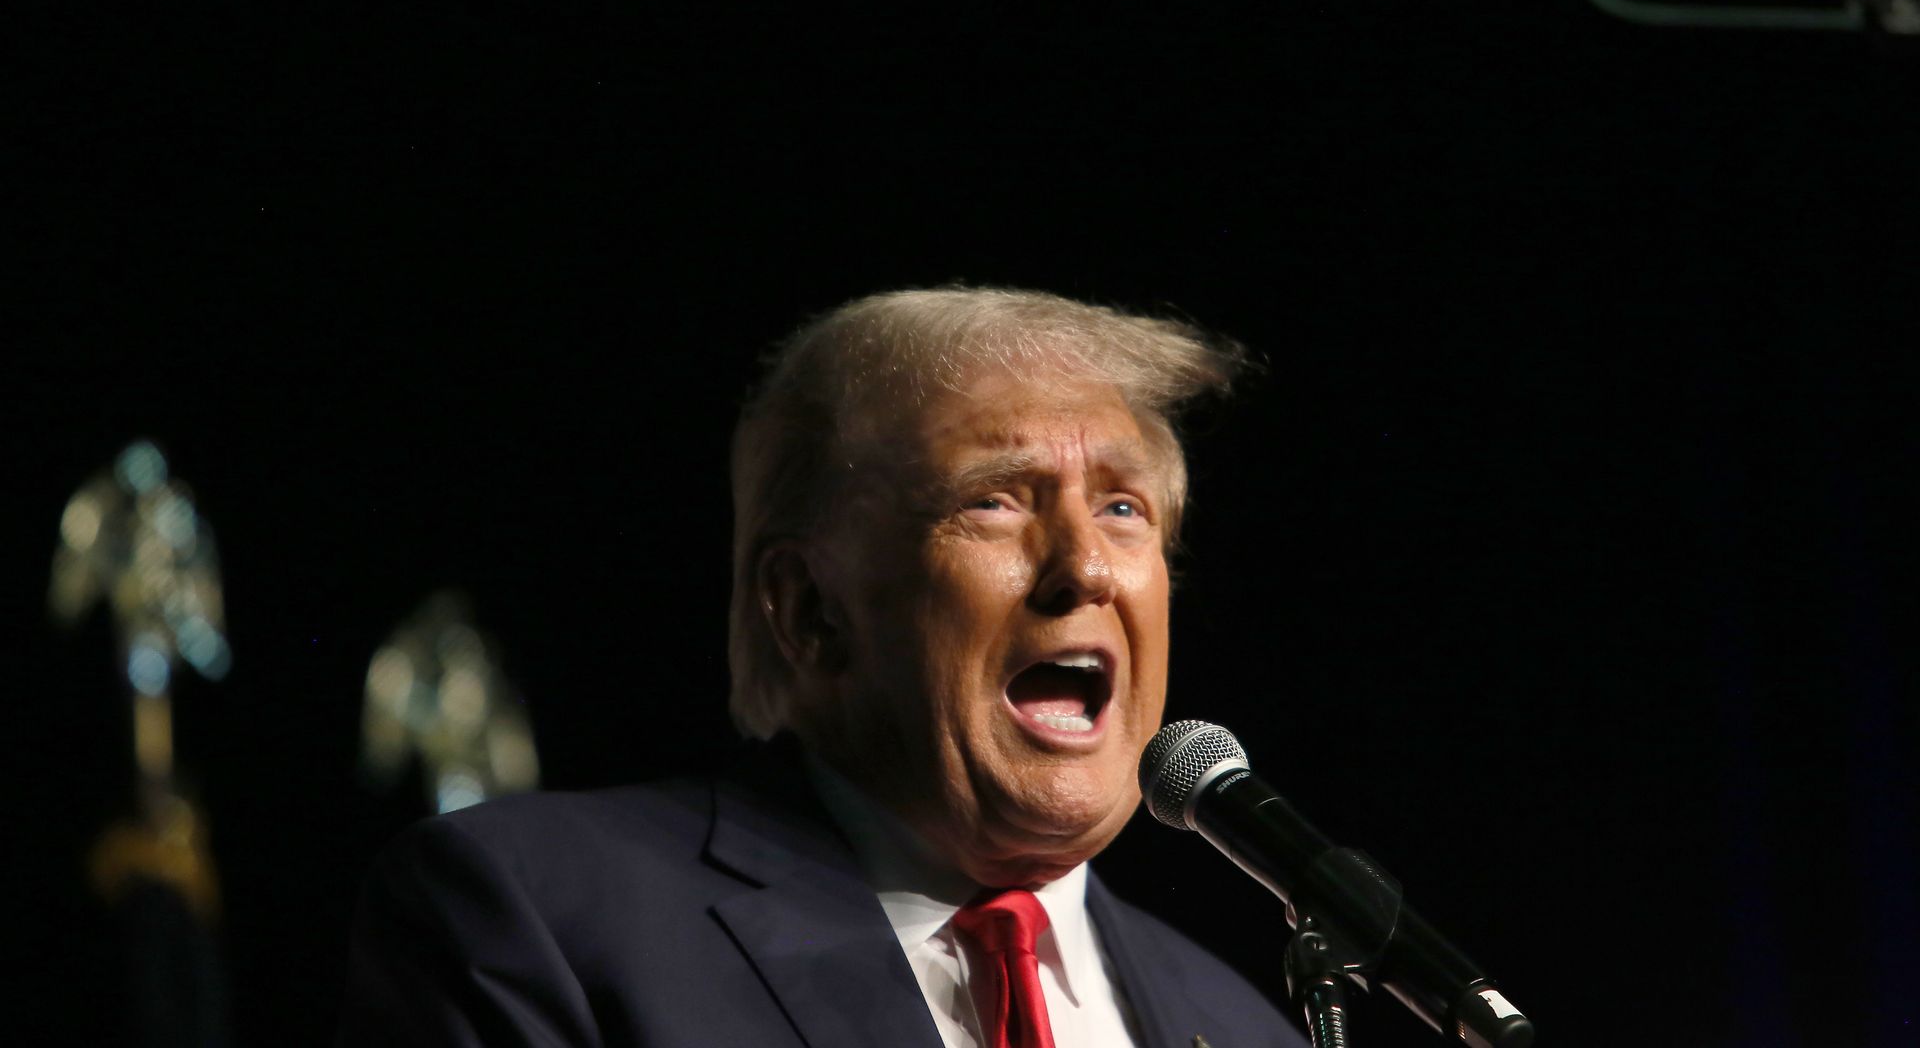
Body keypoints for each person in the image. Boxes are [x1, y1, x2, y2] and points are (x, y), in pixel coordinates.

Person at [338, 287, 1306, 1047]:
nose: (1086, 566)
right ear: (807, 609)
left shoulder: (1250, 1027)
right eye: (996, 502)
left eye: (1124, 508)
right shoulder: (538, 915)